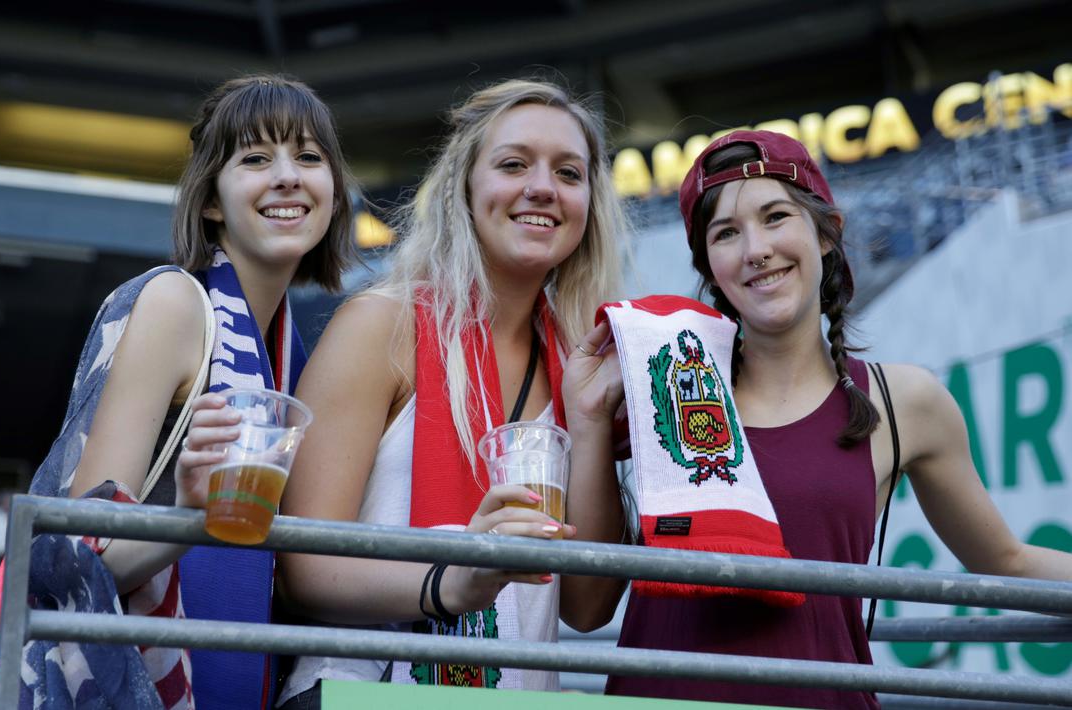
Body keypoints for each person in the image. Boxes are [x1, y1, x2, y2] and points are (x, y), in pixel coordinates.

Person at [596, 130, 1072, 709]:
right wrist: (588, 415)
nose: (755, 249)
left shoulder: (905, 402)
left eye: (775, 217)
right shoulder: (666, 383)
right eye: (727, 233)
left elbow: (1004, 560)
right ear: (710, 266)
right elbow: (586, 595)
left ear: (826, 233)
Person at [0, 74, 357, 710]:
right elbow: (76, 558)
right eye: (256, 159)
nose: (289, 176)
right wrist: (189, 512)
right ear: (211, 201)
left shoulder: (288, 350)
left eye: (310, 157)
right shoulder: (174, 303)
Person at [247, 78, 630, 708]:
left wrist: (589, 419)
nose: (542, 187)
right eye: (513, 165)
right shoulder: (382, 325)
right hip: (362, 693)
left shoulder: (581, 363)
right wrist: (452, 582)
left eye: (569, 172)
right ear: (465, 189)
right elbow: (300, 567)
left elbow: (588, 607)